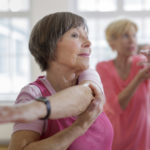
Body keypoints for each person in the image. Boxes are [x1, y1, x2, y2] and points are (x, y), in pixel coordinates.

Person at [8, 12, 113, 150]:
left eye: (86, 36)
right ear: (48, 45)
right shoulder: (33, 95)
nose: (88, 43)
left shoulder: (88, 76)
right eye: (75, 35)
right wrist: (78, 127)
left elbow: (83, 94)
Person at [96, 19, 150, 150]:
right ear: (112, 43)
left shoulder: (142, 63)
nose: (132, 40)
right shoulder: (103, 68)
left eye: (134, 35)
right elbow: (116, 106)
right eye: (125, 36)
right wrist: (138, 79)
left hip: (142, 138)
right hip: (115, 139)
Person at [0, 82, 99, 123]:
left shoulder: (89, 74)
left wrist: (35, 109)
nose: (88, 43)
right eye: (74, 36)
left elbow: (87, 90)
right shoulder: (31, 92)